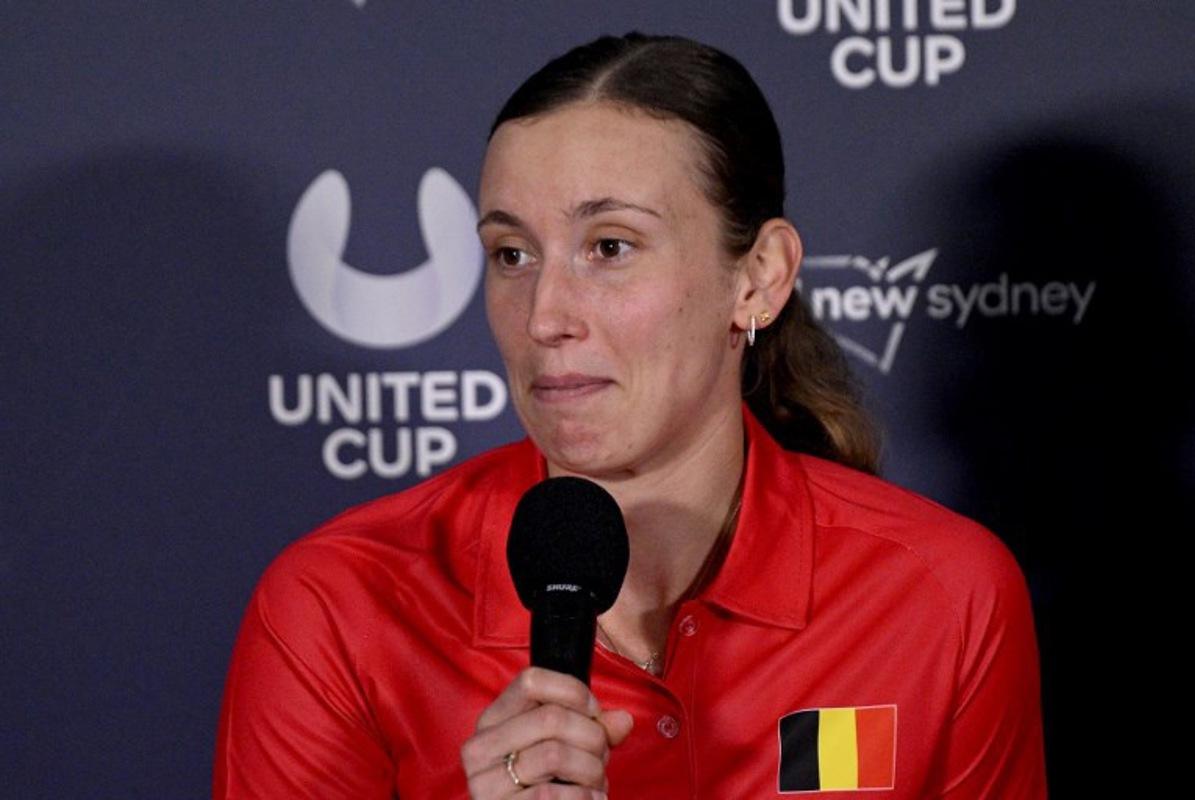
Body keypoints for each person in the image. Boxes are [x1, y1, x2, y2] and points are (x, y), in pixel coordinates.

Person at [214, 33, 1047, 799]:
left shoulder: (943, 595)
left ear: (758, 276)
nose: (545, 315)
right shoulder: (338, 606)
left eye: (609, 247)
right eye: (512, 254)